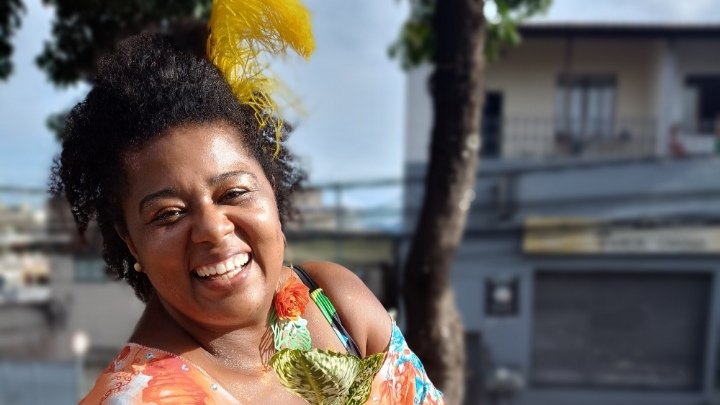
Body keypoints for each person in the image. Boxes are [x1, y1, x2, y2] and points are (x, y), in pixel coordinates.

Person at [50, 1, 444, 404]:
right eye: (169, 214)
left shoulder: (333, 301)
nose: (212, 229)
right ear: (131, 242)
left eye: (233, 193)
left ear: (271, 186)